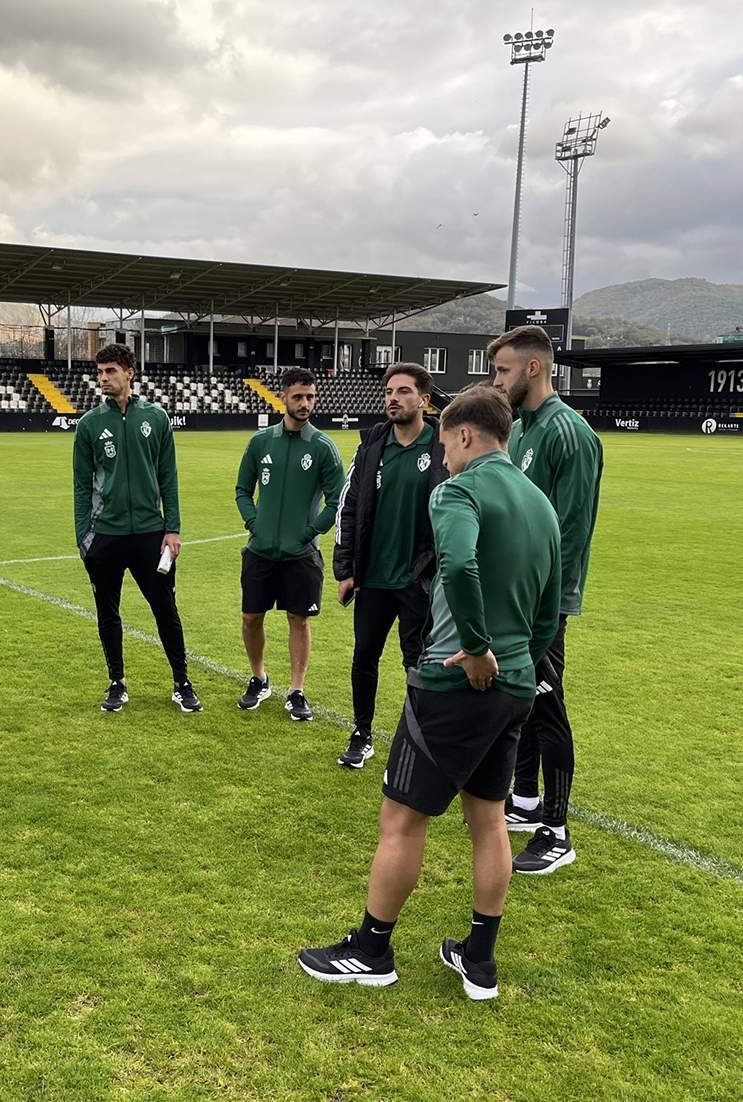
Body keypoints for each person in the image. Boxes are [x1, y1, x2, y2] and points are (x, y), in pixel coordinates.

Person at [298, 385, 561, 1000]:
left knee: (401, 817)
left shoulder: (457, 491)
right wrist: (518, 662)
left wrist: (476, 646)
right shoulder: (540, 504)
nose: (442, 455)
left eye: (445, 442)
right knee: (488, 818)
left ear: (465, 434)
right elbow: (550, 606)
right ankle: (480, 958)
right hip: (516, 685)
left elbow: (461, 565)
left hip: (453, 681)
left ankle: (372, 950)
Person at [490, 325, 603, 875]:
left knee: (547, 700)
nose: (496, 381)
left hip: (545, 599)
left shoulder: (569, 433)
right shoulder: (522, 429)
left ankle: (557, 831)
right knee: (527, 698)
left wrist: (542, 599)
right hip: (520, 591)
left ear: (533, 368)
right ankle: (527, 799)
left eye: (503, 371)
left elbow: (571, 529)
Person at [73, 343, 201, 713]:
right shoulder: (89, 424)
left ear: (129, 373)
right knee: (108, 612)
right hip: (105, 535)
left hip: (150, 534)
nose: (103, 378)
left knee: (165, 608)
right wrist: (84, 537)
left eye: (110, 371)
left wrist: (172, 528)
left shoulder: (156, 418)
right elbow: (81, 485)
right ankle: (117, 683)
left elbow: (168, 478)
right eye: (100, 372)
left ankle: (182, 682)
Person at [331, 363, 447, 768]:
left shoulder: (443, 446)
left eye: (403, 391)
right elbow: (348, 507)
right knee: (364, 656)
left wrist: (436, 570)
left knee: (417, 663)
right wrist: (346, 569)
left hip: (419, 579)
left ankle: (419, 741)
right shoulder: (372, 446)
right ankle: (361, 733)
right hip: (374, 579)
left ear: (424, 400)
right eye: (389, 392)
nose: (393, 399)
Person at [234, 367, 345, 721]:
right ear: (282, 397)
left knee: (299, 619)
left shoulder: (323, 447)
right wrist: (254, 524)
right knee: (251, 617)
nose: (305, 403)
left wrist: (310, 532)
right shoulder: (261, 442)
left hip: (301, 553)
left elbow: (338, 500)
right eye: (298, 396)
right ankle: (259, 679)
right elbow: (242, 489)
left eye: (310, 397)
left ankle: (297, 690)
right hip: (260, 550)